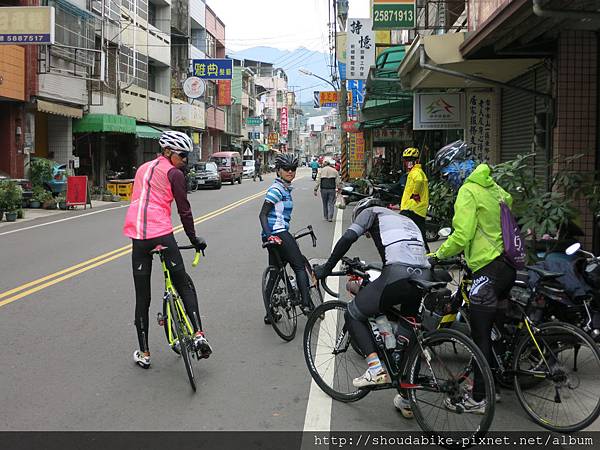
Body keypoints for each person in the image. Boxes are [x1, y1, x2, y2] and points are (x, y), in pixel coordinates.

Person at [313, 198, 431, 419]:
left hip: (398, 273)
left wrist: (327, 268)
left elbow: (348, 238)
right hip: (423, 275)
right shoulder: (404, 219)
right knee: (405, 333)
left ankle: (376, 369)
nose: (367, 234)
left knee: (354, 312)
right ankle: (406, 398)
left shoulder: (371, 213)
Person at [123, 130, 212, 369]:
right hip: (161, 232)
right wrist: (194, 239)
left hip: (137, 236)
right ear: (168, 152)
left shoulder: (142, 169)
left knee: (143, 298)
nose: (185, 161)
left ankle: (144, 353)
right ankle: (199, 335)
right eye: (183, 156)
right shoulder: (174, 174)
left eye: (187, 156)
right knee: (183, 283)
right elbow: (184, 211)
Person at [431, 162, 514, 413]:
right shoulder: (496, 189)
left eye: (448, 174)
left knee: (479, 336)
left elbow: (461, 235)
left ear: (460, 171)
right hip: (507, 267)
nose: (448, 180)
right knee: (494, 331)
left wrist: (437, 255)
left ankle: (479, 398)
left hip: (487, 270)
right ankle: (493, 387)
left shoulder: (468, 191)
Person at [259, 153, 313, 324]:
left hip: (274, 235)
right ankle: (306, 305)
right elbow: (262, 215)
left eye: (293, 169)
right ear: (278, 171)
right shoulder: (276, 190)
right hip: (278, 233)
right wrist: (271, 235)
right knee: (298, 266)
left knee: (274, 275)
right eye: (286, 169)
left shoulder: (284, 189)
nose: (290, 172)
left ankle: (270, 314)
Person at [397, 147, 429, 252]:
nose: (406, 162)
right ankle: (425, 254)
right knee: (419, 233)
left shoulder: (416, 172)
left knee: (406, 232)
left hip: (413, 208)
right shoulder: (416, 171)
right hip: (415, 208)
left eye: (408, 160)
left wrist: (415, 194)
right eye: (406, 160)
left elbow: (419, 181)